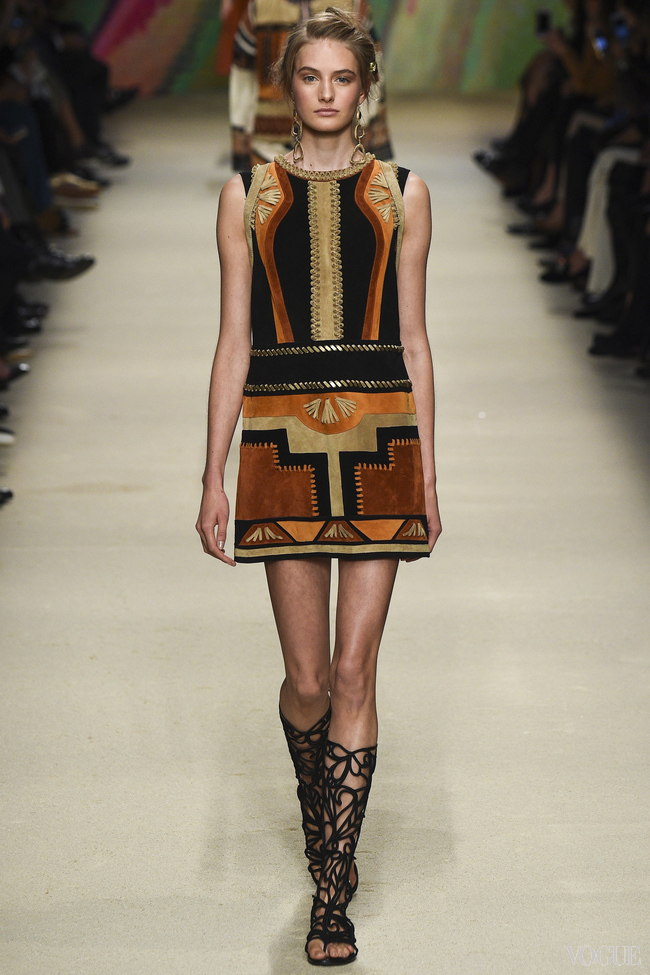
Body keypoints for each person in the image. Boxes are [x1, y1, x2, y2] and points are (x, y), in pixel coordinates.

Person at [196, 7, 441, 965]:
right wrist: (211, 472)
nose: (327, 93)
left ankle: (332, 885)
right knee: (305, 680)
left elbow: (414, 339)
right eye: (311, 76)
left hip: (383, 445)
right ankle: (322, 814)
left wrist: (430, 470)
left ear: (365, 88)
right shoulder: (247, 195)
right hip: (279, 447)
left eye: (343, 77)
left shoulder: (405, 193)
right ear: (287, 86)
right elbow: (234, 340)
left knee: (351, 673)